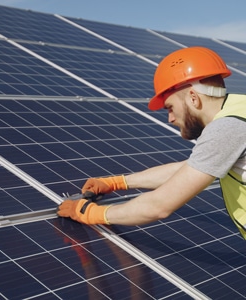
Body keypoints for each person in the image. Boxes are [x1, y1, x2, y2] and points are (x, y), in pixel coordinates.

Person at [57, 46, 246, 239]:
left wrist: (91, 213)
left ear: (193, 97)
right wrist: (117, 183)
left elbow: (158, 206)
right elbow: (190, 169)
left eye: (170, 108)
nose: (170, 119)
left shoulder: (228, 128)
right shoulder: (239, 110)